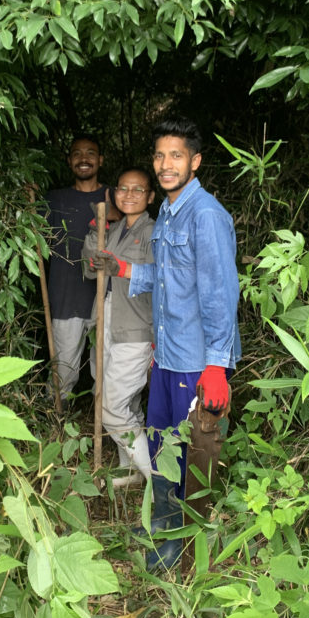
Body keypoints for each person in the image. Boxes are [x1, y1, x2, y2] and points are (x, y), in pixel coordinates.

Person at [92, 118, 241, 570]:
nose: (165, 164)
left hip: (198, 362)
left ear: (195, 161)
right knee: (160, 442)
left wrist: (216, 365)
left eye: (176, 155)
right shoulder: (171, 215)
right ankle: (161, 520)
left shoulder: (206, 215)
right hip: (169, 354)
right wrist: (125, 271)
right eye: (159, 155)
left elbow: (219, 291)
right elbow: (168, 278)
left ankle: (185, 540)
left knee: (193, 452)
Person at [82, 167, 155, 484]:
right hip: (105, 321)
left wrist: (123, 267)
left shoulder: (155, 232)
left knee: (110, 406)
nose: (128, 194)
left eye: (137, 189)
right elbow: (89, 270)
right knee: (124, 401)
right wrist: (95, 230)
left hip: (135, 327)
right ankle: (131, 469)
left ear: (150, 196)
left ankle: (156, 477)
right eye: (122, 188)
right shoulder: (113, 230)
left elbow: (162, 281)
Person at [45, 135, 112, 400]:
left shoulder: (115, 197)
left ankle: (108, 430)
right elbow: (32, 239)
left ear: (101, 160)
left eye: (91, 153)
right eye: (77, 154)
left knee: (106, 374)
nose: (84, 159)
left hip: (105, 300)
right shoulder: (53, 200)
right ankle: (54, 426)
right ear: (69, 160)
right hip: (64, 299)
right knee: (63, 373)